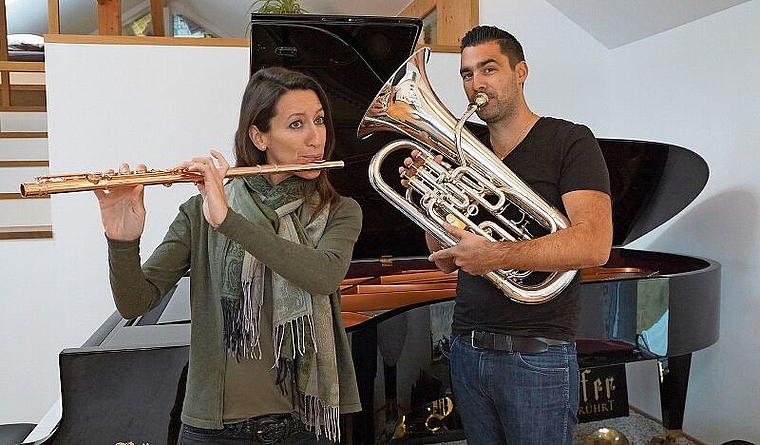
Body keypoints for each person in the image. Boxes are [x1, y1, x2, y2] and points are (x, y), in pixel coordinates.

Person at [96, 66, 363, 444]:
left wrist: (229, 221)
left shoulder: (339, 211)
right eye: (296, 124)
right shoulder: (199, 213)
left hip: (304, 428)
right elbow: (134, 303)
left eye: (319, 121)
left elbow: (323, 276)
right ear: (259, 135)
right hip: (214, 432)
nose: (315, 137)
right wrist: (122, 239)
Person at [400, 25, 613, 444]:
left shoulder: (568, 140)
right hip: (466, 350)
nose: (476, 84)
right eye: (466, 74)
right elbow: (443, 248)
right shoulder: (460, 148)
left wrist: (494, 256)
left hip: (537, 354)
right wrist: (427, 199)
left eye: (488, 69)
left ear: (521, 72)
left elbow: (595, 243)